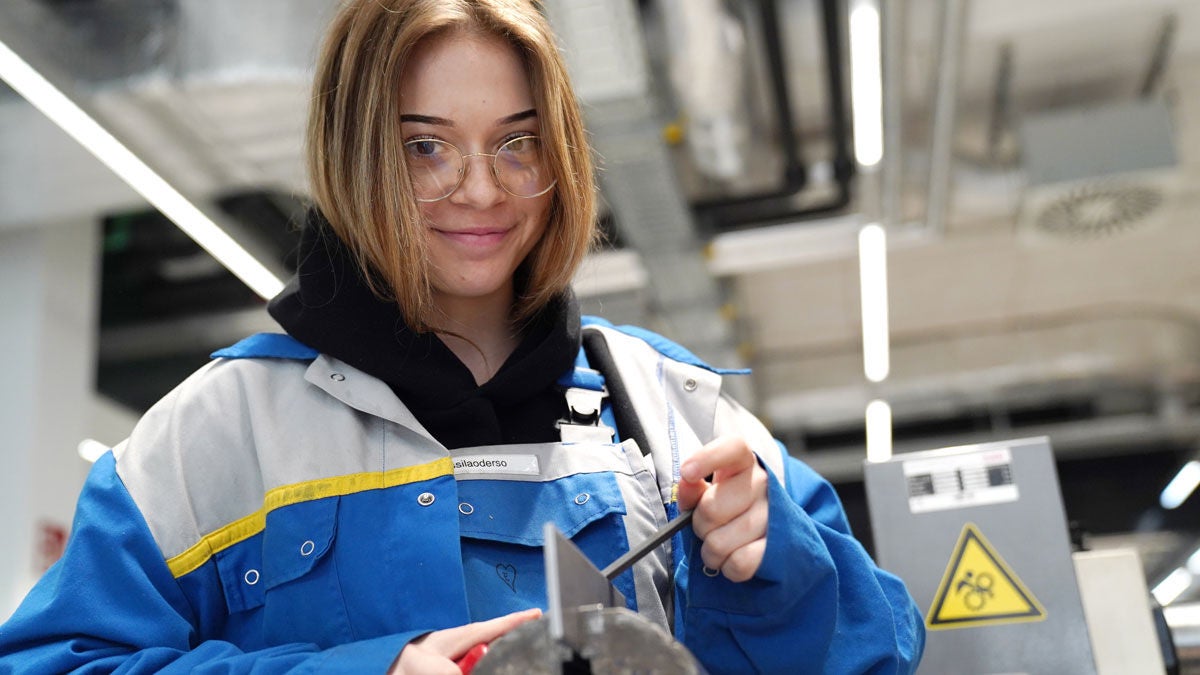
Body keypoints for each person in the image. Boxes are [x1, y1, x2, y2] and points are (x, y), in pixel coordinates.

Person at [0, 1, 925, 672]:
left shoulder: (674, 410)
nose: (481, 190)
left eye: (517, 142)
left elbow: (879, 647)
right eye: (425, 147)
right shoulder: (207, 439)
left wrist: (774, 571)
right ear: (354, 154)